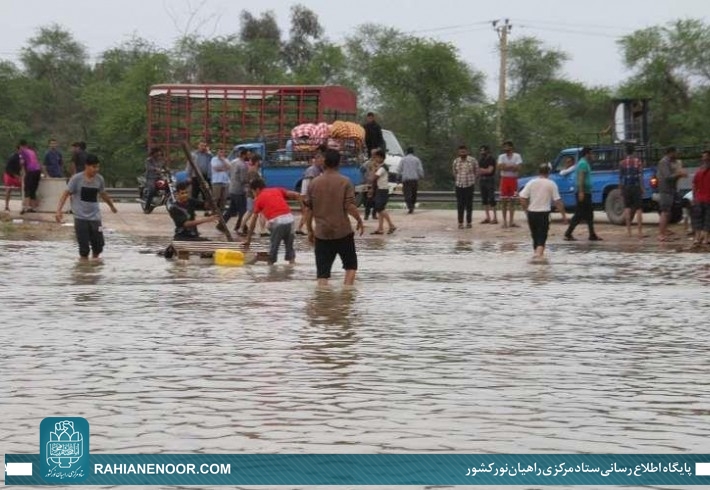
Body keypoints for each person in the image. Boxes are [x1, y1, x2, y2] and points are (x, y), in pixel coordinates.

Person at [303, 148, 365, 286]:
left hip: (322, 233)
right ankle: (347, 296)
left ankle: (324, 302)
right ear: (339, 163)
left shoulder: (314, 183)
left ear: (323, 163)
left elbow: (309, 210)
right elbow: (349, 206)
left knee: (322, 274)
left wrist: (310, 230)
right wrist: (359, 220)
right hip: (342, 231)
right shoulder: (345, 182)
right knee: (351, 267)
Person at [55, 154, 117, 260]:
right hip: (80, 218)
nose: (96, 169)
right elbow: (66, 194)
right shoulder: (76, 179)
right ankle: (84, 272)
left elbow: (103, 194)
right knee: (84, 249)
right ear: (86, 166)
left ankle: (95, 266)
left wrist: (111, 206)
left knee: (98, 246)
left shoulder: (99, 179)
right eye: (93, 167)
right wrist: (58, 210)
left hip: (95, 218)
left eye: (97, 167)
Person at [243, 178, 301, 265]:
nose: (254, 195)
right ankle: (291, 263)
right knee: (290, 248)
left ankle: (267, 265)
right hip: (290, 220)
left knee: (273, 250)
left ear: (257, 189)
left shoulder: (258, 199)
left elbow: (253, 222)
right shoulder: (277, 189)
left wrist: (248, 239)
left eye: (253, 192)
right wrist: (304, 209)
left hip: (277, 222)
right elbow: (297, 194)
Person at [519, 163, 568, 262]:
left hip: (532, 213)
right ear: (548, 172)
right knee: (542, 236)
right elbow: (557, 201)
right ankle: (538, 258)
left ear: (539, 172)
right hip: (544, 213)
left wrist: (526, 210)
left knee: (535, 236)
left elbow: (522, 197)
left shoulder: (531, 182)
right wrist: (564, 216)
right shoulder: (551, 184)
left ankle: (536, 260)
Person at [564, 147, 602, 241]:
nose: (593, 156)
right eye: (591, 154)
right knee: (579, 214)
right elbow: (581, 178)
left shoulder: (585, 163)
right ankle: (568, 233)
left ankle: (592, 234)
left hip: (586, 192)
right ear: (587, 154)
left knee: (589, 214)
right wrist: (581, 192)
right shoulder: (583, 164)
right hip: (583, 192)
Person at [656, 146, 687, 241]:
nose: (677, 155)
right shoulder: (663, 162)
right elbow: (667, 177)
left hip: (671, 189)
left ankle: (665, 230)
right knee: (665, 212)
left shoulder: (672, 162)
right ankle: (661, 234)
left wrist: (679, 174)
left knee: (669, 212)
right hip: (665, 190)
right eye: (675, 153)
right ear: (671, 153)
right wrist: (678, 174)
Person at [296, 146, 325, 234]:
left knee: (308, 212)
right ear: (316, 160)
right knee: (309, 212)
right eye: (321, 160)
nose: (322, 162)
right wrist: (306, 197)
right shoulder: (312, 170)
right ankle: (307, 229)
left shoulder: (319, 170)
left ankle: (301, 228)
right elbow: (308, 185)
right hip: (308, 196)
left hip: (310, 196)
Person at [618, 144, 645, 238]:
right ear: (634, 152)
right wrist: (642, 187)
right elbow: (640, 176)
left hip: (626, 187)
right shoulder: (638, 162)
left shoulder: (622, 163)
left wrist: (621, 189)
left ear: (626, 152)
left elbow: (621, 178)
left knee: (627, 209)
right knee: (639, 209)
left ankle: (629, 232)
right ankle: (640, 232)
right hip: (636, 187)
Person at [221, 148, 249, 233]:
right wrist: (250, 180)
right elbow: (243, 179)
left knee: (232, 209)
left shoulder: (233, 162)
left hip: (232, 188)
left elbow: (229, 174)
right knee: (243, 210)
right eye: (248, 154)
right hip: (239, 190)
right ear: (243, 155)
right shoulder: (243, 165)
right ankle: (241, 227)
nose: (249, 156)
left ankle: (221, 225)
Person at [497, 140, 523, 228]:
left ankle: (511, 221)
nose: (505, 148)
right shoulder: (501, 156)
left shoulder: (517, 156)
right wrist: (512, 166)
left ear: (511, 147)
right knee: (503, 201)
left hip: (513, 180)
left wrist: (506, 167)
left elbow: (518, 168)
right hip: (504, 180)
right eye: (504, 147)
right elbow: (500, 167)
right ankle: (504, 222)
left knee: (512, 201)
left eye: (507, 146)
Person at [370, 149, 396, 235]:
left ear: (381, 158)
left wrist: (373, 169)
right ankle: (380, 228)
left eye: (377, 157)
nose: (375, 159)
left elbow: (374, 177)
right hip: (381, 189)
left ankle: (391, 225)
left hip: (382, 190)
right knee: (379, 209)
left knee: (380, 208)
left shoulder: (382, 168)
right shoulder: (381, 167)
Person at [452, 145, 478, 229]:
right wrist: (457, 180)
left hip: (469, 185)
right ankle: (460, 223)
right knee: (460, 204)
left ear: (467, 152)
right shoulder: (456, 161)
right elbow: (454, 172)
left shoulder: (472, 160)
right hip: (459, 185)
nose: (462, 153)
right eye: (461, 152)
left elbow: (476, 171)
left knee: (469, 204)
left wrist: (473, 180)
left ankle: (469, 222)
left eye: (464, 151)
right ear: (458, 152)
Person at [691, 150, 710, 247]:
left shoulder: (698, 172)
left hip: (699, 199)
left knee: (698, 219)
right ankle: (705, 238)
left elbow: (694, 185)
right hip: (708, 199)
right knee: (707, 219)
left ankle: (697, 238)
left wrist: (694, 197)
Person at [186, 140, 213, 206]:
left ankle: (206, 209)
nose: (203, 147)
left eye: (204, 146)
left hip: (206, 176)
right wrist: (188, 176)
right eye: (201, 145)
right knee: (194, 193)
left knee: (206, 194)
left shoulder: (208, 155)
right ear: (198, 146)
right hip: (196, 176)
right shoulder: (193, 154)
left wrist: (209, 153)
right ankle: (192, 209)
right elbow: (189, 165)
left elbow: (213, 161)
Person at [19, 139, 42, 214]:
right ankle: (33, 208)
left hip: (31, 170)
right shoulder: (32, 151)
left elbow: (22, 162)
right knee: (33, 189)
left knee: (27, 188)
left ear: (21, 146)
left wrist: (23, 172)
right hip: (38, 170)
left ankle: (25, 207)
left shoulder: (22, 151)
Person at [399, 146, 424, 214]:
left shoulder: (403, 159)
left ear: (406, 152)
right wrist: (421, 176)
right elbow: (420, 169)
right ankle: (412, 206)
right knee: (413, 193)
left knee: (407, 194)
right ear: (413, 152)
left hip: (406, 179)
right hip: (414, 179)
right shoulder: (416, 159)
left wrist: (400, 175)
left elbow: (399, 169)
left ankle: (410, 207)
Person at [477, 145, 498, 224]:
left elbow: (490, 171)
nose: (482, 152)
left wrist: (482, 170)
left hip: (490, 180)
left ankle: (495, 218)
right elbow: (478, 171)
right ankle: (488, 217)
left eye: (483, 150)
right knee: (484, 199)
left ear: (487, 151)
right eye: (481, 151)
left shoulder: (491, 159)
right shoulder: (481, 159)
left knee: (491, 198)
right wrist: (483, 170)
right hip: (482, 180)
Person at [143, 146, 165, 214]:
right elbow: (148, 167)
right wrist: (155, 169)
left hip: (159, 177)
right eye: (157, 153)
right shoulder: (149, 160)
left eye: (160, 154)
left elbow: (165, 167)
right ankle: (147, 208)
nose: (159, 155)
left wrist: (170, 170)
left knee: (168, 185)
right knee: (152, 190)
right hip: (151, 177)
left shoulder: (161, 160)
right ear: (154, 153)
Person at [210, 147, 231, 214]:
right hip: (216, 181)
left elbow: (229, 167)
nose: (221, 153)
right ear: (217, 152)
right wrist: (224, 168)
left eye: (223, 152)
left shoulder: (226, 160)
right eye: (220, 152)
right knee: (216, 197)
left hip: (225, 180)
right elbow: (216, 168)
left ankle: (222, 211)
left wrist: (223, 160)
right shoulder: (214, 159)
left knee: (224, 197)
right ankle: (213, 211)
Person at [4, 146, 22, 212]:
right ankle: (6, 206)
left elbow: (21, 168)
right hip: (9, 175)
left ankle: (23, 205)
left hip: (16, 175)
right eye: (20, 149)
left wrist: (20, 176)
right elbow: (8, 168)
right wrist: (16, 176)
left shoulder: (22, 158)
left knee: (23, 188)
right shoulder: (13, 157)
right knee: (8, 190)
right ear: (17, 150)